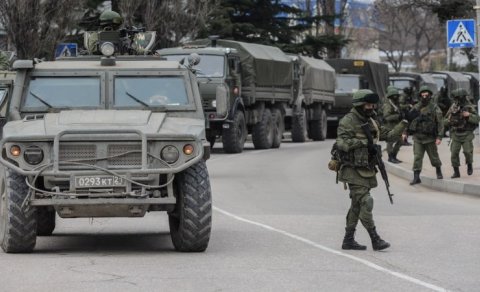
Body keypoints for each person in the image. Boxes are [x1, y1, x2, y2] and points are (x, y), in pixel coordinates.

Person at [336, 89, 408, 251]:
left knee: (356, 205)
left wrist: (403, 123)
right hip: (352, 170)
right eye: (367, 104)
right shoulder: (349, 121)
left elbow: (388, 135)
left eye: (372, 104)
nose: (371, 107)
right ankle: (375, 239)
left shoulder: (372, 121)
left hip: (367, 169)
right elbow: (342, 143)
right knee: (366, 202)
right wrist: (362, 143)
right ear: (360, 104)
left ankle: (348, 240)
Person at [409, 85, 444, 185]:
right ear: (420, 96)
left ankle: (438, 170)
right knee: (417, 157)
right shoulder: (416, 107)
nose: (424, 97)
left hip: (430, 138)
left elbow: (440, 123)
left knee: (434, 157)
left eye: (426, 95)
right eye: (422, 95)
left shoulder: (434, 107)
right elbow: (409, 120)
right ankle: (416, 177)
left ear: (430, 96)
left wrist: (439, 137)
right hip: (418, 137)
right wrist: (405, 132)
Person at [444, 88, 479, 178]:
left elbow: (477, 119)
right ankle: (456, 172)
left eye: (459, 97)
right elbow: (444, 120)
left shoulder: (470, 107)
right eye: (456, 97)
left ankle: (469, 165)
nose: (458, 99)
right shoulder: (453, 107)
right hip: (456, 133)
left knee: (467, 151)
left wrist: (469, 115)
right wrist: (449, 120)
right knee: (454, 153)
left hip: (467, 133)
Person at [382, 87, 404, 163]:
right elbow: (386, 117)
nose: (396, 97)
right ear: (391, 96)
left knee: (400, 141)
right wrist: (397, 116)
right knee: (390, 142)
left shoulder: (396, 104)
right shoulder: (388, 105)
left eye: (396, 96)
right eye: (394, 96)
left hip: (396, 126)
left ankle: (394, 156)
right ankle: (390, 157)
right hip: (389, 126)